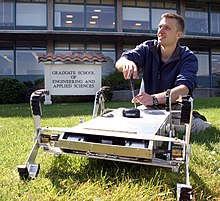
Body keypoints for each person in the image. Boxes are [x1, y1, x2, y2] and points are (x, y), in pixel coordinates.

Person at [115, 12, 211, 133]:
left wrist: (154, 98)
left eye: (167, 28)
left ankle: (198, 120)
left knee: (177, 128)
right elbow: (119, 62)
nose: (161, 31)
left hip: (176, 106)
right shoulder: (147, 48)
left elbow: (183, 89)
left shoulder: (188, 57)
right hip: (149, 106)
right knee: (132, 122)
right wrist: (127, 63)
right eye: (160, 27)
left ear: (178, 35)